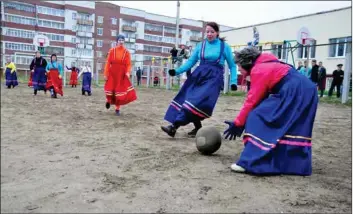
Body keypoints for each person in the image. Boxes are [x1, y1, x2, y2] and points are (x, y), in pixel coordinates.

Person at [223, 47, 318, 176]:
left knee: (256, 117)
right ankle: (295, 165)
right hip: (308, 90)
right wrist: (240, 123)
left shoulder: (259, 69)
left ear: (247, 62)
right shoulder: (270, 64)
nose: (239, 70)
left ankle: (249, 162)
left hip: (294, 90)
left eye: (239, 66)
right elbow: (261, 98)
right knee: (291, 126)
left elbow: (252, 101)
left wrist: (239, 123)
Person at [161, 22, 238, 138]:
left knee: (195, 102)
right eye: (207, 31)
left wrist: (233, 81)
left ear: (217, 33)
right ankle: (197, 128)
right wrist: (177, 71)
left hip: (213, 79)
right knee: (186, 99)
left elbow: (232, 65)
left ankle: (174, 126)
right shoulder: (201, 46)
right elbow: (191, 62)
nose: (209, 34)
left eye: (212, 31)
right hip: (199, 75)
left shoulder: (224, 46)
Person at [104, 34, 137, 116]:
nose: (121, 41)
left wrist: (128, 72)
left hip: (121, 74)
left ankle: (117, 109)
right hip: (112, 73)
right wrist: (106, 73)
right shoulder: (112, 51)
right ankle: (108, 101)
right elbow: (108, 63)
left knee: (119, 91)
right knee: (110, 89)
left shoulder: (127, 52)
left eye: (122, 40)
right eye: (119, 40)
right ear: (117, 41)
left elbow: (129, 64)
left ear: (124, 41)